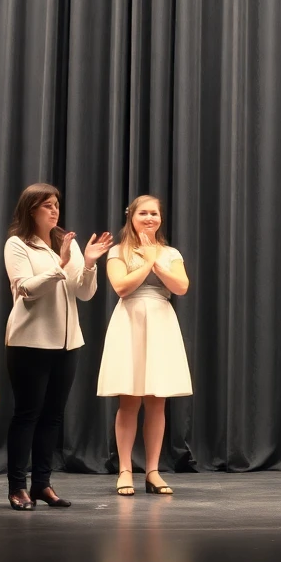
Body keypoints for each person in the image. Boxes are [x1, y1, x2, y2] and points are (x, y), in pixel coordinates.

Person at [3, 184, 112, 510]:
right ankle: (17, 487)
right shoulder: (17, 244)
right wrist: (61, 265)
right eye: (46, 205)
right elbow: (26, 289)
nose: (54, 210)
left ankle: (42, 485)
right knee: (27, 414)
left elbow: (84, 293)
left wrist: (89, 263)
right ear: (30, 209)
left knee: (52, 416)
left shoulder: (66, 243)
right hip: (29, 341)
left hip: (67, 343)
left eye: (56, 205)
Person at [98, 195, 192, 496]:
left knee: (157, 400)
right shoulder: (118, 251)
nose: (150, 218)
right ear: (132, 217)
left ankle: (152, 471)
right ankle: (125, 469)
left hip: (161, 320)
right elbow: (121, 287)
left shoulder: (171, 252)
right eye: (144, 213)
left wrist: (157, 260)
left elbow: (181, 287)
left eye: (154, 213)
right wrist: (148, 261)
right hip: (130, 320)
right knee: (129, 400)